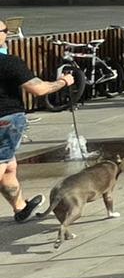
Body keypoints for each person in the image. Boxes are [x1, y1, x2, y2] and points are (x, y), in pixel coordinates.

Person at [0, 23, 73, 223]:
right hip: (5, 119)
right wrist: (64, 82)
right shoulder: (8, 62)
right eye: (5, 31)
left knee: (9, 166)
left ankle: (20, 208)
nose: (7, 34)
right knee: (1, 163)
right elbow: (39, 89)